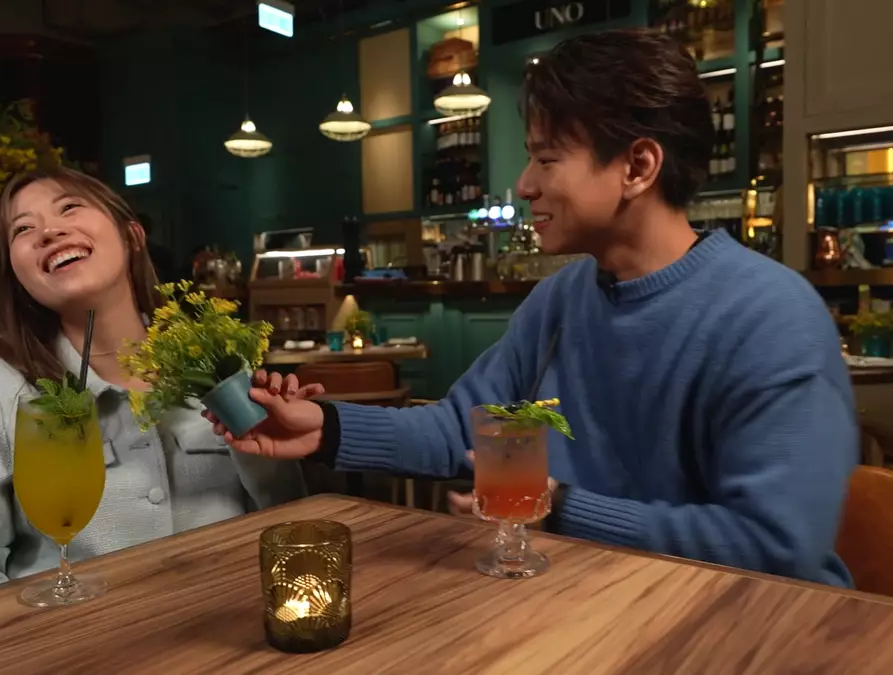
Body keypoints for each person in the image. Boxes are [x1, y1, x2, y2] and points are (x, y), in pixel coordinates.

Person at [210, 29, 858, 586]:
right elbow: (466, 428)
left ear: (638, 166)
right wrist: (326, 427)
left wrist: (560, 508)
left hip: (747, 623)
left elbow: (776, 545)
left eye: (547, 157)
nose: (524, 184)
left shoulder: (769, 316)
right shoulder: (561, 300)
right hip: (590, 599)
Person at [0, 166, 316, 608]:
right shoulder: (0, 391)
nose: (49, 231)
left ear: (132, 235)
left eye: (69, 207)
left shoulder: (216, 365)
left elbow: (290, 528)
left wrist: (271, 438)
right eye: (23, 229)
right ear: (15, 276)